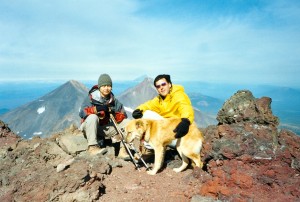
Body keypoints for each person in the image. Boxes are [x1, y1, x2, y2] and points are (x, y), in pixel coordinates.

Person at [132, 74, 194, 158]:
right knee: (146, 114)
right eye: (158, 86)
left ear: (169, 84)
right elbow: (148, 105)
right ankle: (152, 149)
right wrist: (139, 110)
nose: (161, 87)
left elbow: (185, 107)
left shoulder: (178, 95)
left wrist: (186, 121)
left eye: (163, 84)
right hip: (169, 136)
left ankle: (155, 149)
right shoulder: (159, 100)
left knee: (148, 116)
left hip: (180, 134)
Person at [79, 73, 130, 159]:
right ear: (99, 87)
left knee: (128, 123)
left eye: (108, 86)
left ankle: (123, 150)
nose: (106, 88)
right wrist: (96, 110)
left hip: (105, 128)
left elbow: (123, 115)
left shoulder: (113, 101)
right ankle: (92, 147)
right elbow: (82, 113)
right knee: (92, 117)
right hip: (90, 126)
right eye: (104, 86)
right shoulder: (91, 98)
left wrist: (113, 113)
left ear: (111, 87)